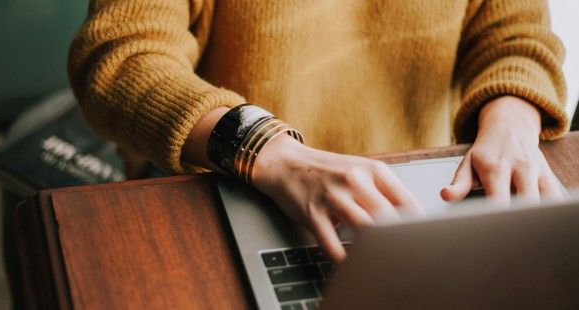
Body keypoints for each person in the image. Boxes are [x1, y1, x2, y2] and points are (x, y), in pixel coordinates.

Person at [68, 0, 569, 263]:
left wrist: (513, 118)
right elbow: (121, 58)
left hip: (418, 202)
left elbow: (517, 36)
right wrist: (265, 149)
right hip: (227, 186)